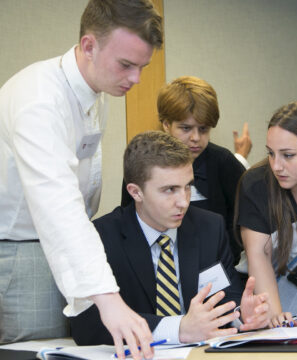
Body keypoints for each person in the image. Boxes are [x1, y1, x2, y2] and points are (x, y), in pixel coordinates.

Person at [0, 1, 162, 357]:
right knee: (38, 352)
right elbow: (57, 203)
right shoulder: (39, 100)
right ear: (89, 46)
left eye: (142, 66)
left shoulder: (94, 90)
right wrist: (108, 299)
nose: (136, 78)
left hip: (62, 241)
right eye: (126, 65)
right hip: (22, 248)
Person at [71, 131, 269, 345]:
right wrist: (178, 329)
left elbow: (226, 295)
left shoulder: (209, 228)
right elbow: (87, 325)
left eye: (187, 187)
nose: (184, 202)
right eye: (170, 190)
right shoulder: (101, 238)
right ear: (135, 192)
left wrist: (242, 315)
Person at [121, 76, 247, 261]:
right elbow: (130, 219)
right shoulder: (143, 161)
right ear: (166, 125)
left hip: (213, 262)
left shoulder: (223, 161)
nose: (195, 138)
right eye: (186, 128)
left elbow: (241, 218)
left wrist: (225, 255)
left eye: (203, 129)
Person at [234, 102, 297, 326]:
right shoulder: (257, 185)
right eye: (271, 154)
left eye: (288, 155)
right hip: (268, 299)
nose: (276, 166)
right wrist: (277, 321)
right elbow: (258, 255)